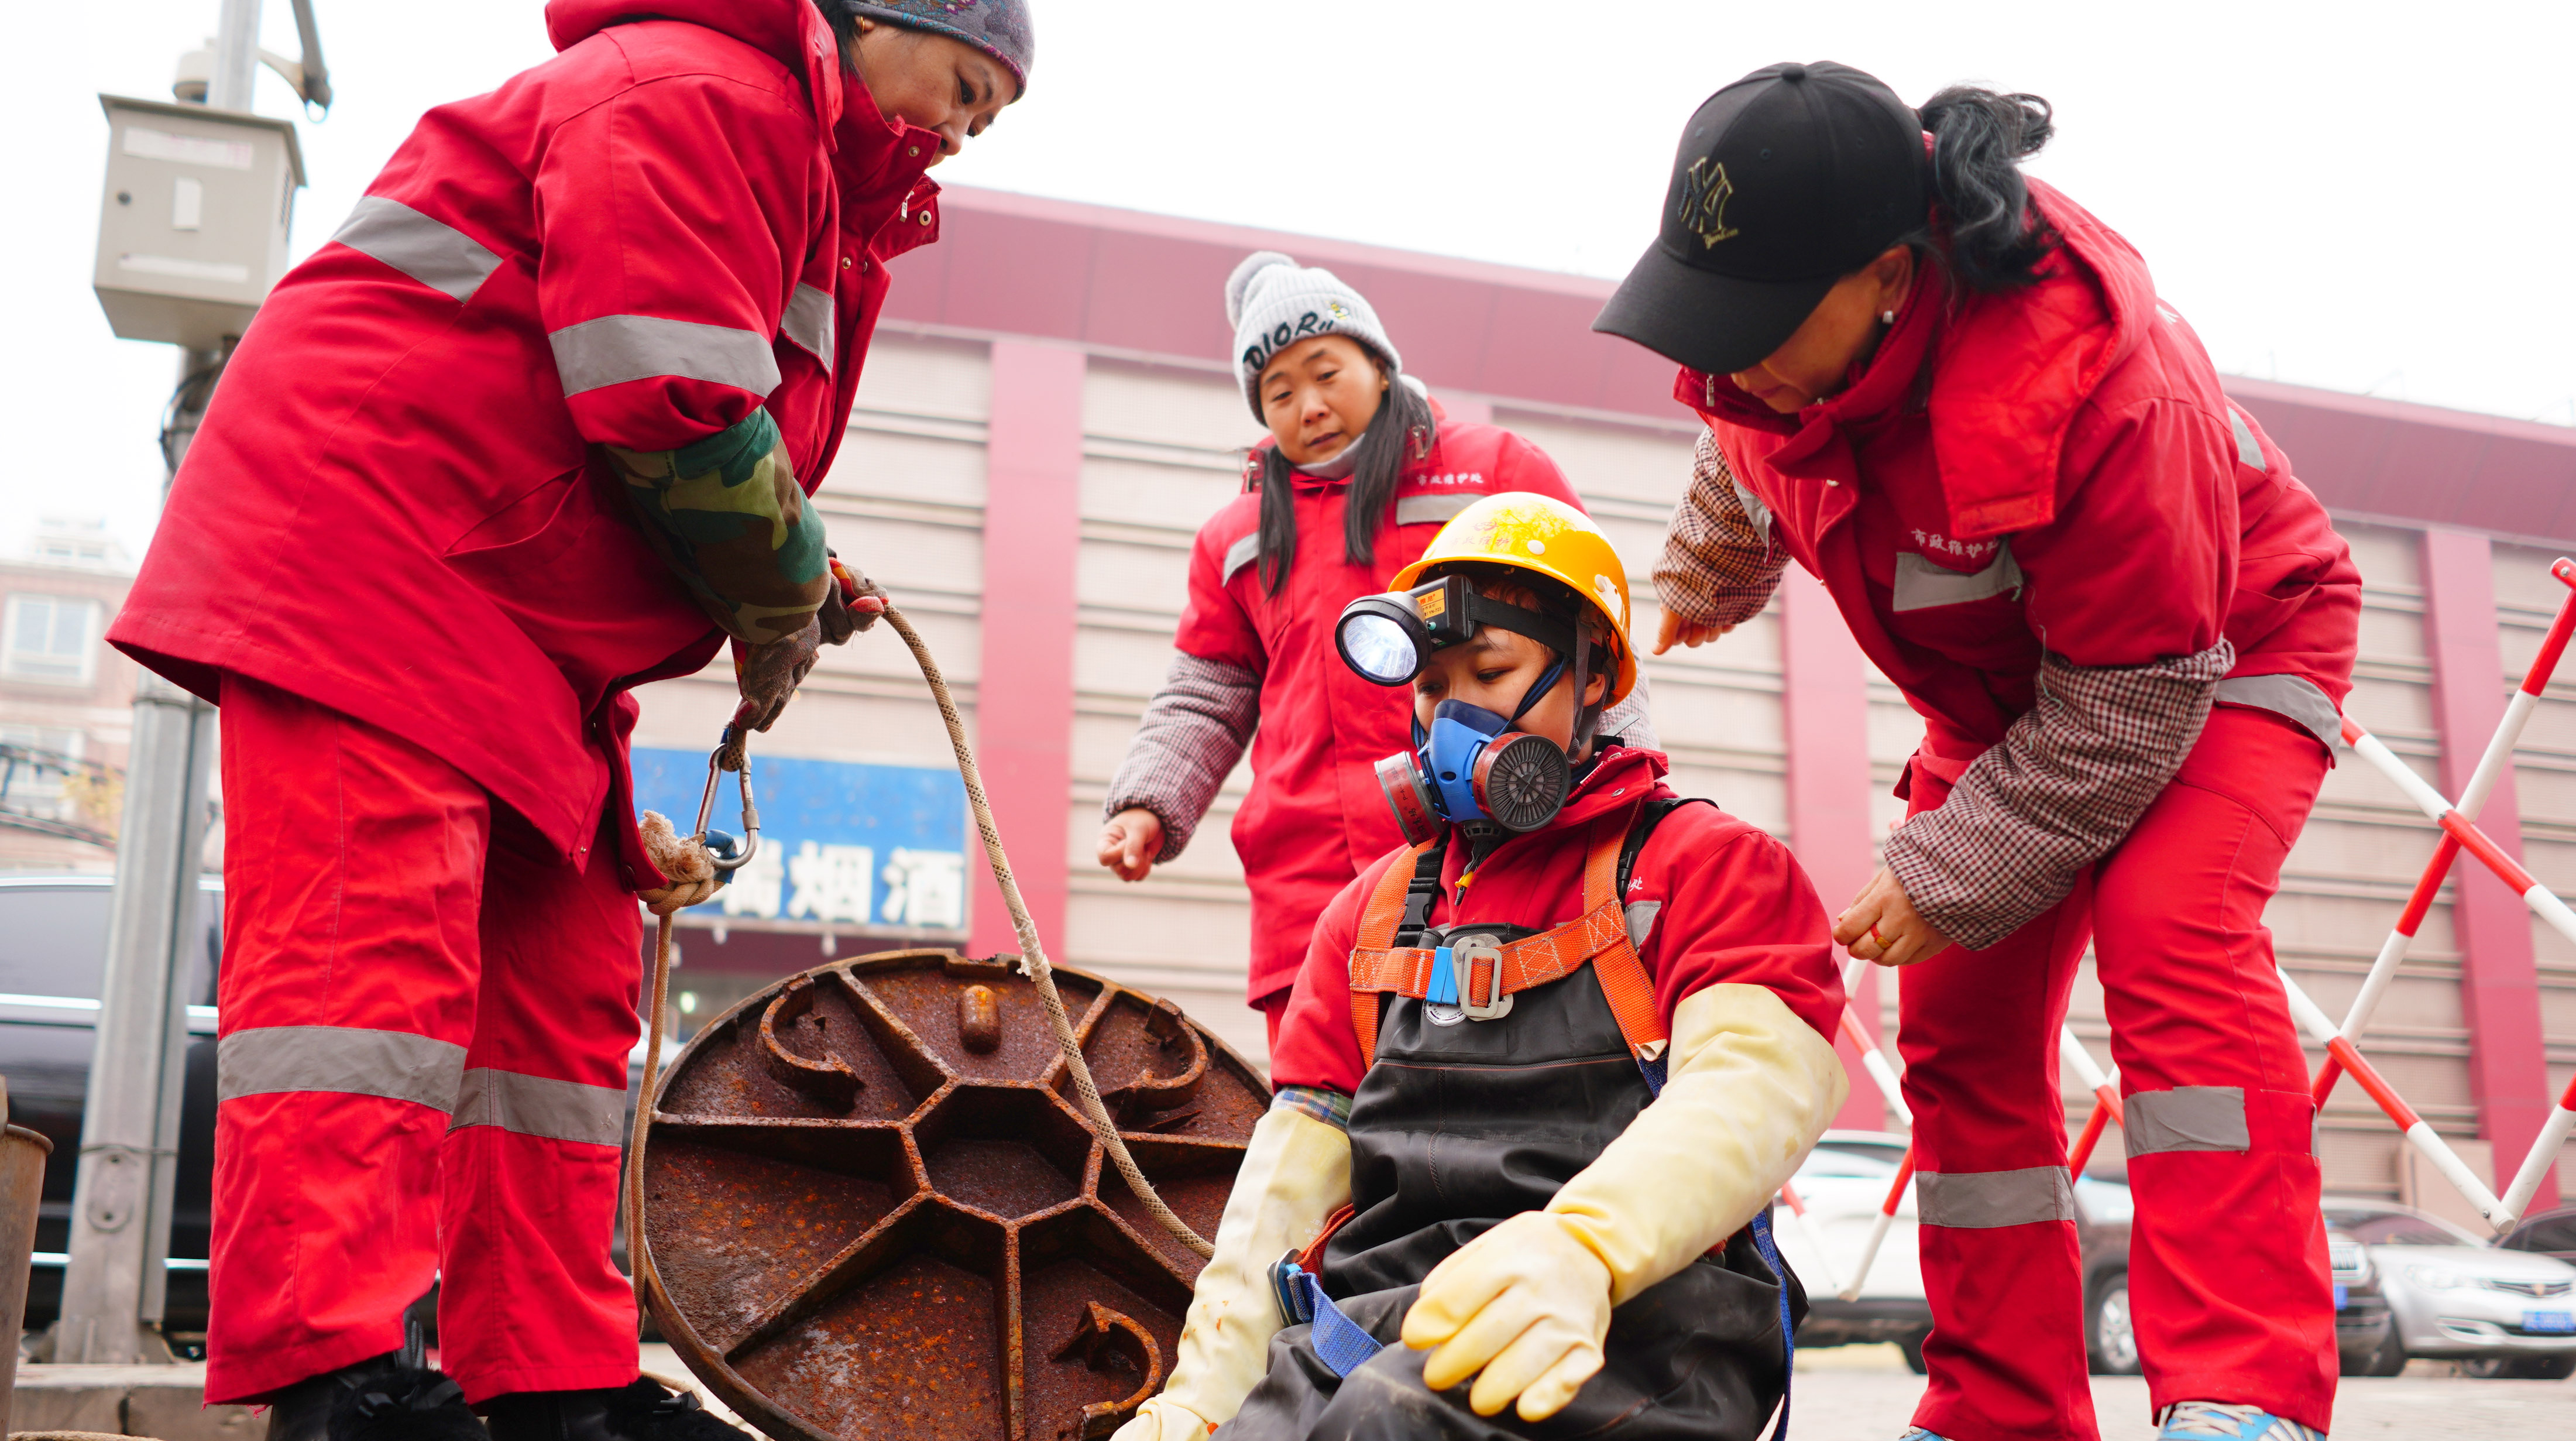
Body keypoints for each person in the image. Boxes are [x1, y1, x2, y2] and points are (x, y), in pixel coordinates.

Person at [104, 2, 1032, 1439]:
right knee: (369, 974)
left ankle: (550, 1382)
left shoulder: (810, 184)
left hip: (517, 620)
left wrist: (783, 565)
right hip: (387, 551)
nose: (968, 132)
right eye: (966, 88)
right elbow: (666, 401)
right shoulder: (700, 91)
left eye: (993, 117)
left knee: (558, 1003)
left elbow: (699, 424)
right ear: (861, 19)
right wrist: (780, 593)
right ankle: (331, 1380)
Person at [1595, 62, 2361, 1441]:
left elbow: (2130, 703)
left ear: (1888, 275)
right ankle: (1997, 1405)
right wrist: (1708, 577)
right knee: (1953, 1020)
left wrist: (1950, 864)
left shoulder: (2106, 395)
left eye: (1759, 322)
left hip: (2217, 655)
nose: (1730, 360)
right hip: (2013, 705)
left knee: (2169, 943)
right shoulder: (1764, 363)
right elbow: (1744, 447)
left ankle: (2237, 1395)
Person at [1112, 493, 1846, 1441]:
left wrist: (1586, 1248)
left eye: (1490, 670)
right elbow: (1284, 1192)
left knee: (1390, 1424)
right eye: (1429, 686)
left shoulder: (1703, 867)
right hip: (1375, 1331)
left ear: (1591, 675)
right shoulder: (1368, 914)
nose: (1450, 715)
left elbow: (1753, 1090)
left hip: (1636, 1325)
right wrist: (1200, 1402)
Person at [1097, 254, 1655, 1051]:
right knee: (1324, 1124)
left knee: (1519, 1095)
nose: (1309, 405)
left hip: (1501, 854)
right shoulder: (1234, 539)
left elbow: (1591, 635)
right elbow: (1203, 693)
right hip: (1308, 889)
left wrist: (1635, 800)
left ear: (1380, 365)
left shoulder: (1495, 474)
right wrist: (1147, 802)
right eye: (1279, 392)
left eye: (1326, 372)